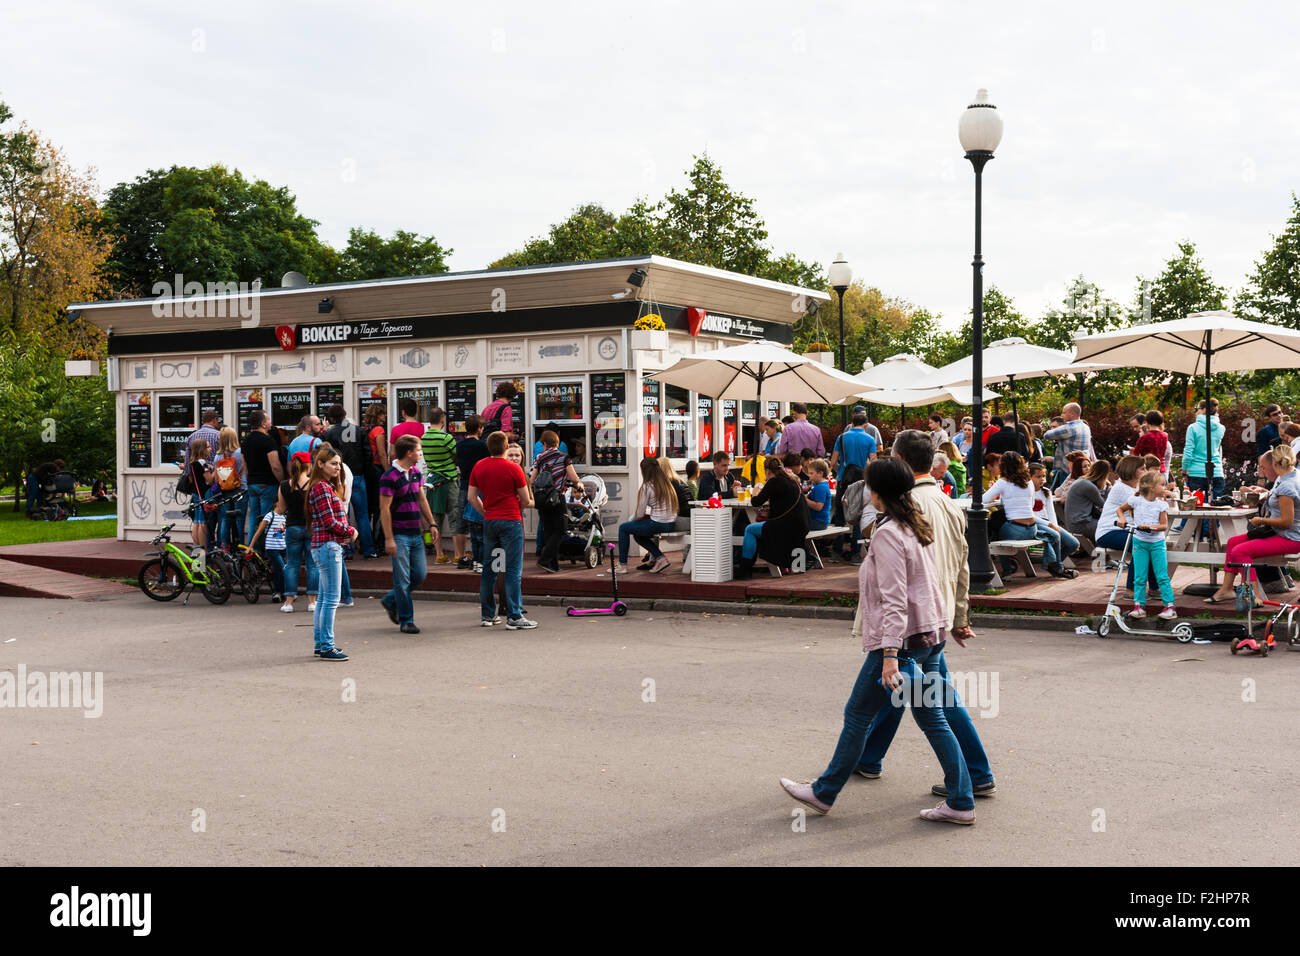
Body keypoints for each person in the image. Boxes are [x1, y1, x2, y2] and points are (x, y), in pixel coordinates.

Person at [779, 457, 978, 825]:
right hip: (928, 634)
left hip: (901, 642)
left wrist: (889, 655)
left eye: (870, 487)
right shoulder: (914, 524)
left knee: (858, 714)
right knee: (933, 718)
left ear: (878, 493)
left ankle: (824, 792)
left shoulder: (888, 533)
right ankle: (962, 800)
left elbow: (894, 597)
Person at [849, 430, 993, 799]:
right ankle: (871, 758)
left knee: (922, 698)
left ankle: (971, 777)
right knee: (925, 695)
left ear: (898, 462)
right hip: (936, 617)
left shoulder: (903, 506)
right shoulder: (948, 503)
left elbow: (894, 581)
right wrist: (960, 616)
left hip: (912, 621)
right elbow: (962, 566)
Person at [1208, 443, 1300, 607]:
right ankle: (1227, 589)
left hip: (1290, 537)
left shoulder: (1287, 486)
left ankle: (1254, 595)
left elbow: (1286, 522)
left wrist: (1261, 520)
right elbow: (1278, 500)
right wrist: (1263, 493)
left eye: (1264, 467)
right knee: (1232, 542)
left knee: (1241, 551)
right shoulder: (1289, 476)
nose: (1263, 472)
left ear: (1275, 464)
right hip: (1283, 533)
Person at [467, 431, 536, 629]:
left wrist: (485, 511)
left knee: (490, 569)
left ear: (488, 447)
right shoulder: (513, 469)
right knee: (513, 569)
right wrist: (520, 506)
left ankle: (488, 615)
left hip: (490, 522)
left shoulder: (479, 466)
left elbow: (472, 497)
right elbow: (525, 498)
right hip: (511, 522)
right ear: (506, 447)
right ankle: (514, 615)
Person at [379, 434, 438, 634]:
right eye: (419, 450)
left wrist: (432, 523)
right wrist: (389, 538)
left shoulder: (415, 473)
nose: (421, 453)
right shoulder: (389, 477)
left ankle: (389, 599)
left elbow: (422, 500)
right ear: (409, 453)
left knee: (419, 575)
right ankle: (407, 620)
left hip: (416, 533)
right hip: (399, 534)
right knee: (402, 579)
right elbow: (384, 510)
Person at [986, 451, 1075, 578]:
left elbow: (984, 500)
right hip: (1032, 529)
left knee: (997, 533)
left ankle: (1007, 572)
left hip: (1015, 530)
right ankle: (1055, 566)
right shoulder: (1028, 483)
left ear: (1004, 466)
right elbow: (1030, 504)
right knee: (1055, 535)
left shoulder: (1003, 482)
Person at [306, 443, 358, 661]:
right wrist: (351, 531)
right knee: (331, 599)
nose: (338, 468)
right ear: (320, 464)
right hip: (328, 546)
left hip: (325, 545)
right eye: (333, 464)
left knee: (325, 597)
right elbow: (330, 522)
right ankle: (327, 646)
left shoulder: (323, 486)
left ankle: (321, 644)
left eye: (339, 464)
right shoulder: (321, 488)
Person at [734, 455, 810, 579]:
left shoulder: (774, 482)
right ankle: (798, 565)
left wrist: (754, 493)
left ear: (767, 471)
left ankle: (745, 569)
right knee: (761, 528)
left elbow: (756, 502)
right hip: (803, 525)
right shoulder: (793, 480)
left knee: (750, 529)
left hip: (786, 526)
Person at [1093, 456, 1160, 592]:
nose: (1146, 471)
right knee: (1141, 545)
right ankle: (1132, 589)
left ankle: (1154, 588)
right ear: (1132, 470)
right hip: (1109, 531)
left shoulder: (1133, 487)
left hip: (1125, 531)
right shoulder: (1121, 489)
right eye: (1143, 468)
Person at [1117, 471, 1177, 620]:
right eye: (1161, 485)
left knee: (1162, 576)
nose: (1164, 487)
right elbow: (1120, 509)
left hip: (1156, 544)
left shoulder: (1161, 505)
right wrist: (1122, 519)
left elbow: (1163, 526)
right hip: (1140, 542)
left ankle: (1170, 606)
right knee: (1139, 576)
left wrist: (1151, 528)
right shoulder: (1136, 501)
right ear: (1151, 487)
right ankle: (1139, 606)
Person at [322, 404, 377, 560]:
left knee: (342, 514)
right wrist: (364, 471)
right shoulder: (359, 431)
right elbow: (368, 454)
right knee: (362, 515)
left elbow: (325, 454)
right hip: (358, 475)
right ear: (345, 414)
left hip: (338, 476)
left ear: (331, 418)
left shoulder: (329, 434)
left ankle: (347, 550)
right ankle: (369, 549)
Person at [531, 429, 582, 573]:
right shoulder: (563, 457)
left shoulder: (539, 457)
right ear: (557, 443)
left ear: (544, 444)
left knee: (548, 532)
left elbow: (532, 479)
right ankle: (544, 559)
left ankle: (552, 565)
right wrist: (578, 485)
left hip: (542, 499)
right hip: (556, 498)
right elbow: (573, 478)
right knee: (561, 530)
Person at [615, 458, 678, 574]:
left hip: (658, 524)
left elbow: (639, 513)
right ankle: (660, 558)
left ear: (644, 471)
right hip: (671, 524)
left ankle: (622, 565)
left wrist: (630, 521)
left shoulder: (647, 486)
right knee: (638, 536)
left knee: (623, 528)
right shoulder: (667, 484)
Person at [829, 411, 877, 561]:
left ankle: (836, 552)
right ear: (866, 424)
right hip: (861, 482)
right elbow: (874, 461)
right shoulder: (870, 439)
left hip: (843, 480)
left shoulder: (842, 437)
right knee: (858, 515)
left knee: (840, 516)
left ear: (851, 423)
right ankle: (855, 553)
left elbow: (832, 461)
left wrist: (840, 472)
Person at [419, 407, 461, 565]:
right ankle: (458, 554)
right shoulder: (447, 438)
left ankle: (439, 554)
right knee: (454, 516)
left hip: (432, 481)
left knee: (435, 518)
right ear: (442, 420)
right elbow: (456, 454)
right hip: (448, 479)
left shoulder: (424, 438)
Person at [278, 452, 318, 613]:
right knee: (312, 564)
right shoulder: (315, 484)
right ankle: (312, 602)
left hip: (292, 526)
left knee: (292, 564)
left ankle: (288, 602)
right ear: (309, 466)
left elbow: (281, 509)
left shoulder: (284, 485)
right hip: (311, 526)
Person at [241, 410, 286, 552]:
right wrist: (282, 482)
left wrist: (249, 480)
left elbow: (244, 465)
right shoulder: (268, 440)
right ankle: (265, 551)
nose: (270, 423)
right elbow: (275, 465)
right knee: (267, 519)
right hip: (267, 483)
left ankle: (252, 549)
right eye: (268, 420)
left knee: (254, 516)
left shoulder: (245, 440)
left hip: (252, 483)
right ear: (263, 423)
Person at [454, 415, 490, 570]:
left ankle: (461, 556)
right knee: (480, 522)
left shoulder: (459, 445)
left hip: (464, 485)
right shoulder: (483, 446)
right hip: (479, 487)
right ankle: (480, 558)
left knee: (461, 521)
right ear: (479, 428)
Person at [1029, 461, 1082, 560]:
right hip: (1035, 524)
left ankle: (1052, 562)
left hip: (1048, 523)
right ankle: (1055, 564)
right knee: (1054, 538)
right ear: (1029, 477)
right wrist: (1050, 525)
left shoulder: (1046, 492)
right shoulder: (1026, 492)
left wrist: (1055, 526)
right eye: (1038, 476)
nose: (1042, 479)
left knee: (1073, 544)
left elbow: (1051, 512)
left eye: (1043, 476)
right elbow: (1029, 514)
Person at [1183, 398, 1225, 501]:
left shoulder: (1193, 428)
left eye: (1197, 409)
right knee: (1216, 510)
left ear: (1203, 410)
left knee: (1198, 509)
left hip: (1196, 472)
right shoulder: (1221, 428)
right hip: (1217, 471)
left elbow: (1188, 451)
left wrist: (1184, 470)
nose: (1196, 412)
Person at [211, 427, 246, 549]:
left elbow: (216, 478)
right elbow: (246, 469)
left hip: (225, 490)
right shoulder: (240, 453)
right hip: (240, 488)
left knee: (225, 519)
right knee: (239, 520)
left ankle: (224, 546)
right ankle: (239, 546)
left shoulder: (218, 456)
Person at [1064, 459, 1110, 548]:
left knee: (1105, 526)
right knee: (1108, 529)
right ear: (1104, 475)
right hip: (1080, 523)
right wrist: (1108, 488)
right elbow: (1104, 504)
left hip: (1075, 522)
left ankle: (1103, 557)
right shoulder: (1088, 486)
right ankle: (1106, 557)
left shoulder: (1082, 480)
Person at [248, 505, 288, 603]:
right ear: (277, 504)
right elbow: (259, 531)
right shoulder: (270, 516)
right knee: (281, 569)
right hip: (272, 548)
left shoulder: (285, 517)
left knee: (281, 570)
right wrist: (251, 546)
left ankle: (283, 592)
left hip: (284, 548)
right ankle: (277, 592)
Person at [1043, 403, 1096, 474]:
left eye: (1064, 413)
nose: (1061, 415)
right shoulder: (1085, 427)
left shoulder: (1069, 428)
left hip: (1069, 470)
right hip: (1082, 467)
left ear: (1072, 414)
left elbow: (1047, 435)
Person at [364, 403, 389, 552]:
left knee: (367, 509)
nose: (385, 416)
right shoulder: (378, 430)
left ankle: (367, 542)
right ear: (378, 415)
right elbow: (382, 453)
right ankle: (379, 543)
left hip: (366, 472)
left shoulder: (364, 430)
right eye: (383, 414)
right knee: (380, 508)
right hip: (377, 470)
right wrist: (388, 472)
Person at [1132, 410, 1170, 474]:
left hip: (1147, 469)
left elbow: (1136, 453)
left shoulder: (1145, 437)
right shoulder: (1165, 435)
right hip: (1161, 468)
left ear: (1147, 422)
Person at [804, 459, 832, 530]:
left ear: (820, 473)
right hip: (819, 521)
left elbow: (818, 507)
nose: (809, 476)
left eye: (811, 473)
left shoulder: (821, 487)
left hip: (819, 522)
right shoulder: (819, 485)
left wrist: (805, 500)